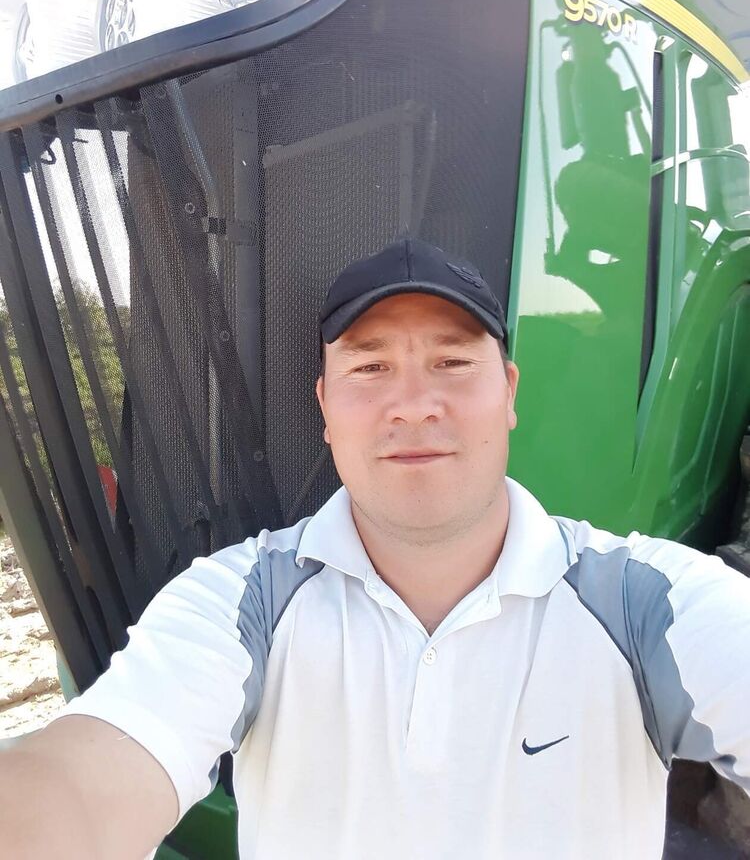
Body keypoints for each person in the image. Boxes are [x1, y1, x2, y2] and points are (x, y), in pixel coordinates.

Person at [3, 237, 749, 860]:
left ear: (510, 393)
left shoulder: (647, 604)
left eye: (452, 363)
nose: (414, 405)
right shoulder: (241, 604)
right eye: (369, 367)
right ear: (326, 408)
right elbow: (88, 779)